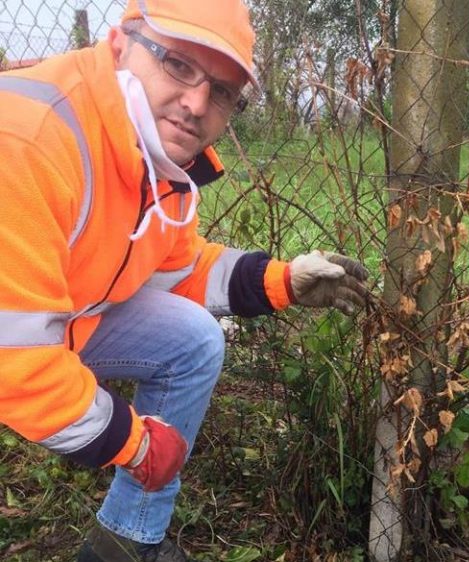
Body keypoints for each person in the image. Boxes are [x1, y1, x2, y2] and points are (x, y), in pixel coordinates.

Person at [0, 1, 368, 560]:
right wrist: (134, 443)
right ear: (121, 44)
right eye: (177, 63)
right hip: (15, 343)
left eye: (221, 91)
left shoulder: (156, 163)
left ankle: (127, 540)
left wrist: (282, 280)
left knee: (192, 338)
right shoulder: (29, 141)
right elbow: (13, 357)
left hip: (47, 321)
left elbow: (174, 268)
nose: (197, 103)